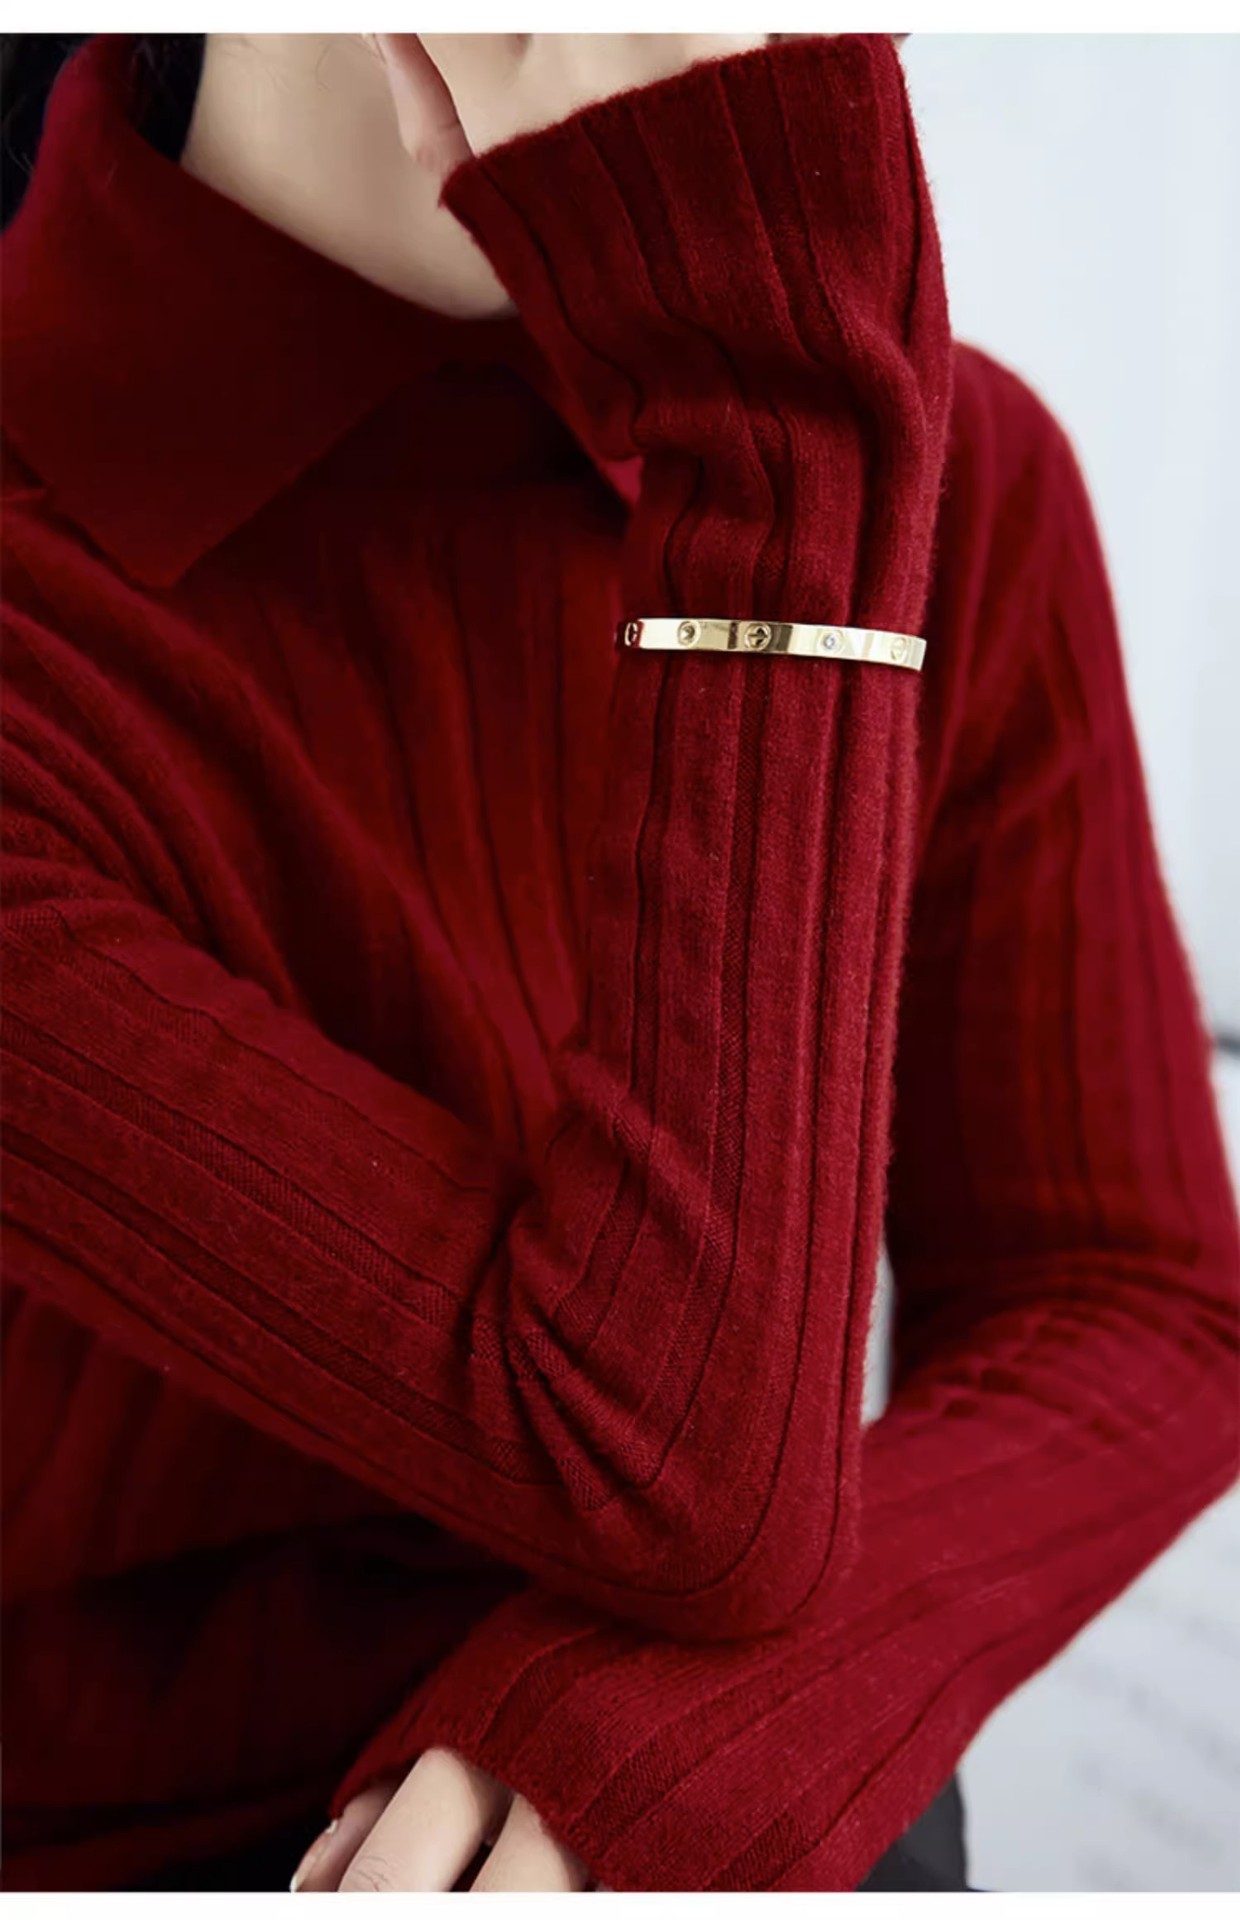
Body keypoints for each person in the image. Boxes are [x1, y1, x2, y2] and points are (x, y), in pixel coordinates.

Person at [1, 30, 1237, 1896]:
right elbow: (653, 1458)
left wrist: (736, 1722)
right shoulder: (819, 436)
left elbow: (1135, 1289)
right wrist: (783, 420)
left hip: (764, 1762)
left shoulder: (932, 471)